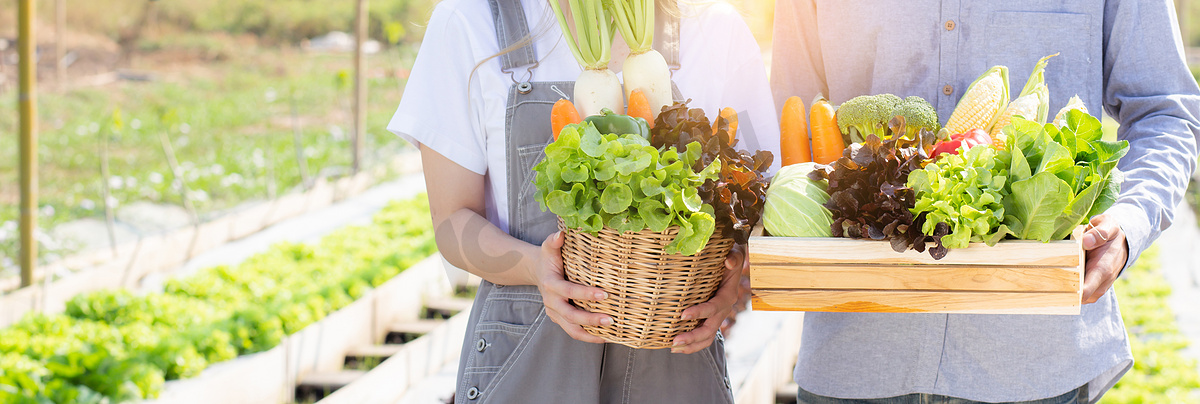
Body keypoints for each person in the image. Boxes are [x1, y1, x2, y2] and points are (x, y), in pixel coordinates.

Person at [770, 1, 1200, 403]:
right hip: (854, 354)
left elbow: (1164, 111)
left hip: (1035, 361)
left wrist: (1128, 222)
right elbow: (784, 119)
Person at [387, 0, 779, 402]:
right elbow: (453, 222)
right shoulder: (470, 22)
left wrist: (731, 279)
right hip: (526, 363)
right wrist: (537, 268)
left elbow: (759, 201)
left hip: (675, 363)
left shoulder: (714, 28)